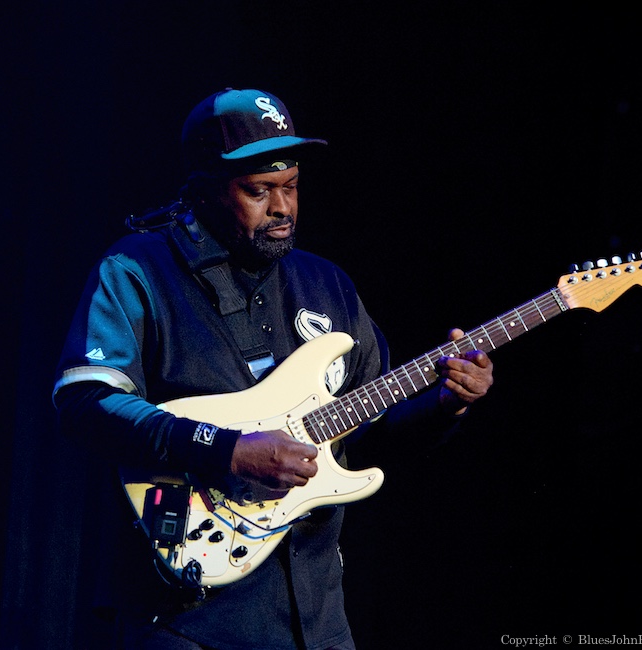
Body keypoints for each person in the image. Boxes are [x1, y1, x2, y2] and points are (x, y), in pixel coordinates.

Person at [52, 87, 494, 650]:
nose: (282, 209)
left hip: (315, 619)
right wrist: (227, 449)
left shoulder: (327, 284)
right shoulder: (136, 270)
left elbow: (369, 433)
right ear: (207, 191)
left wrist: (446, 402)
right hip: (185, 619)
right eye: (259, 191)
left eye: (291, 188)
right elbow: (86, 402)